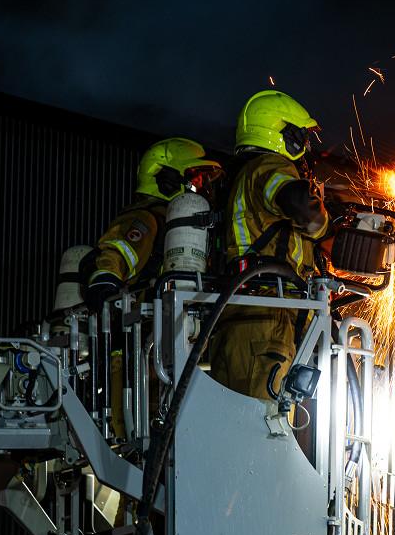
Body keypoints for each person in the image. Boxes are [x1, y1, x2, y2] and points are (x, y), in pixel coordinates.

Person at [208, 90, 330, 402]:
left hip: (243, 317)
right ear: (285, 134)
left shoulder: (244, 176)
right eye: (301, 136)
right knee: (261, 428)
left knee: (238, 423)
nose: (304, 148)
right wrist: (325, 222)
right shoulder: (270, 166)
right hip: (266, 318)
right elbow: (300, 204)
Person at [84, 137, 224, 310]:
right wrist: (105, 277)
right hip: (151, 324)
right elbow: (117, 251)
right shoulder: (147, 218)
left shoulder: (185, 223)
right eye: (195, 180)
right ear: (167, 180)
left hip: (179, 319)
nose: (201, 186)